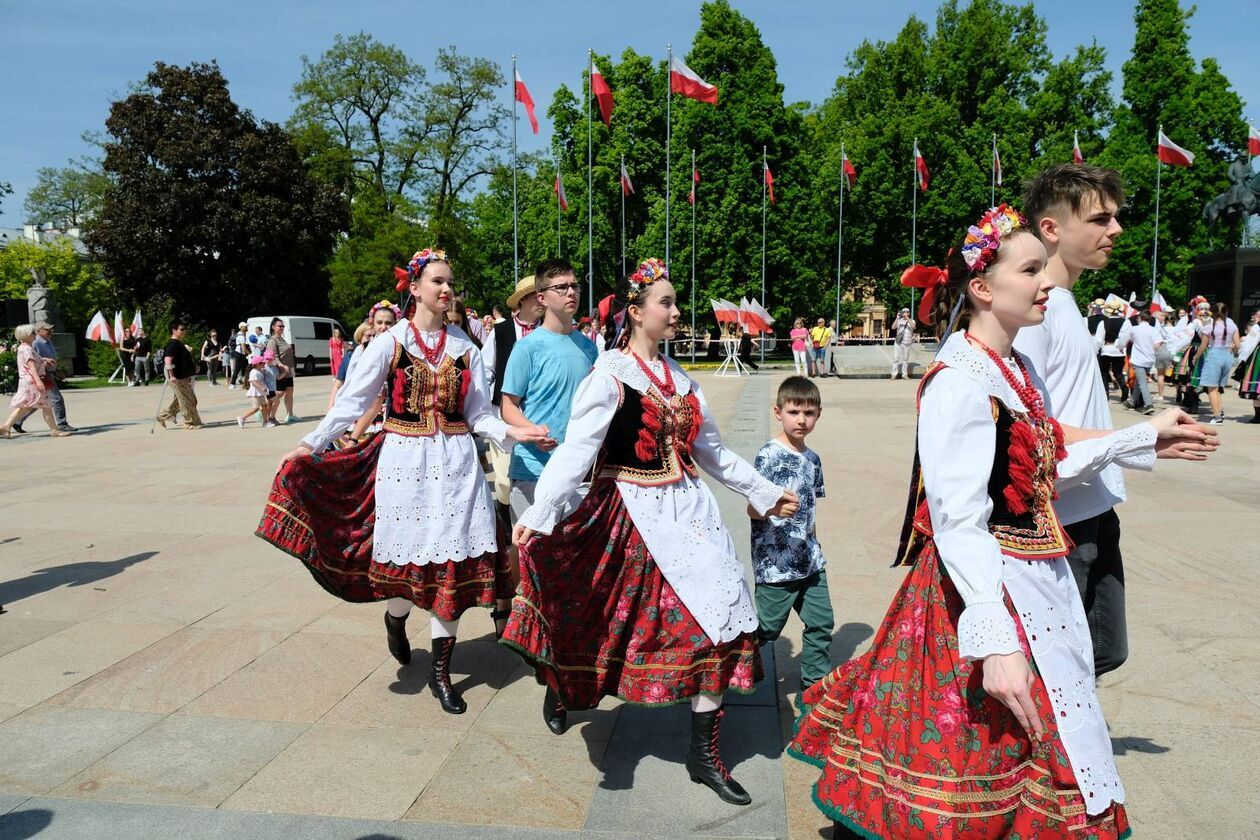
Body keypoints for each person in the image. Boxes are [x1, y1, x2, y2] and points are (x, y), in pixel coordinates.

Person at [790, 204, 1217, 839]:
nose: (1047, 282)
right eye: (1030, 270)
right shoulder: (958, 381)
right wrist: (992, 639)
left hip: (1034, 579)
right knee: (968, 778)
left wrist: (1140, 439)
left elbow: (1039, 459)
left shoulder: (1012, 368)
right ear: (982, 289)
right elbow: (959, 518)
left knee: (1032, 762)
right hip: (982, 591)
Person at [503, 258, 799, 805]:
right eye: (666, 302)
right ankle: (561, 683)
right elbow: (576, 454)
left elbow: (709, 452)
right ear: (636, 313)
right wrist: (540, 514)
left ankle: (702, 753)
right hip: (629, 518)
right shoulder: (609, 377)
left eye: (674, 301)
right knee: (595, 618)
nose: (676, 310)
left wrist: (761, 490)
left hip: (689, 513)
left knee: (719, 623)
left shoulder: (682, 380)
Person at [262, 248, 548, 715]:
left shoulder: (464, 347)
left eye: (450, 281)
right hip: (406, 466)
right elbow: (352, 403)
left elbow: (478, 412)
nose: (446, 288)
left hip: (456, 465)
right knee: (407, 572)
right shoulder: (389, 343)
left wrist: (514, 432)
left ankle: (441, 673)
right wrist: (311, 445)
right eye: (436, 281)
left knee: (449, 572)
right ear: (414, 288)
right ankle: (396, 620)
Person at [1012, 164, 1198, 679]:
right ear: (1051, 229)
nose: (1115, 231)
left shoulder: (1064, 304)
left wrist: (1142, 442)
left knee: (1100, 652)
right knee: (1061, 663)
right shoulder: (1035, 311)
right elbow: (1031, 430)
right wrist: (1139, 434)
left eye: (1114, 218)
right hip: (1060, 518)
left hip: (1091, 505)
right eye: (1100, 219)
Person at [499, 258, 598, 634]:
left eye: (574, 285)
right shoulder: (528, 348)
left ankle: (560, 634)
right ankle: (522, 621)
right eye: (562, 287)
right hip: (533, 469)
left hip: (578, 473)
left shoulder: (590, 348)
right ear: (541, 297)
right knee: (533, 554)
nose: (571, 292)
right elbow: (508, 405)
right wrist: (531, 430)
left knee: (572, 557)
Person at [749, 376, 832, 701]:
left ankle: (814, 693)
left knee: (822, 623)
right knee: (766, 630)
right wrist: (772, 509)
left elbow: (811, 511)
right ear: (778, 412)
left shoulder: (813, 459)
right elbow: (751, 509)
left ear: (818, 415)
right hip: (776, 566)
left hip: (810, 561)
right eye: (794, 411)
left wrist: (815, 545)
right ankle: (721, 669)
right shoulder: (768, 455)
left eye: (808, 413)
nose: (801, 419)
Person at [1, 324, 69, 437]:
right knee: (33, 405)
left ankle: (6, 427)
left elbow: (32, 360)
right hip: (31, 381)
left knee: (37, 405)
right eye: (33, 333)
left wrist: (43, 360)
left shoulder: (24, 347)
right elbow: (31, 366)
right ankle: (6, 426)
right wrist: (38, 381)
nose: (35, 335)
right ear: (26, 335)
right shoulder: (27, 348)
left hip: (28, 381)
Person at [1198, 301, 1240, 425]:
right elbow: (1238, 345)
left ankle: (1217, 417)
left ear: (1213, 312)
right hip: (1228, 356)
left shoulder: (1209, 326)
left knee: (1212, 388)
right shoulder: (1232, 326)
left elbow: (1202, 346)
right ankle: (1219, 411)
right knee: (1218, 388)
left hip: (1214, 355)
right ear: (1226, 312)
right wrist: (1231, 351)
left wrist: (1195, 357)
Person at [156, 321, 202, 430]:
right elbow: (168, 360)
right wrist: (172, 376)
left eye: (184, 329)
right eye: (181, 329)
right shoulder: (172, 344)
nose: (184, 331)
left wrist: (193, 367)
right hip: (177, 377)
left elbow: (182, 360)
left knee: (186, 399)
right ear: (174, 330)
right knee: (186, 400)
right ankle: (189, 422)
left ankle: (162, 416)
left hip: (184, 376)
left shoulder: (179, 343)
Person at [30, 323, 75, 433]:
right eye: (47, 330)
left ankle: (17, 421)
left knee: (39, 401)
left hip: (49, 374)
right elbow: (33, 360)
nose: (51, 331)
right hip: (43, 375)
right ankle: (62, 424)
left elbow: (52, 358)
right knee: (57, 399)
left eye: (51, 329)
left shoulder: (48, 341)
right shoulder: (36, 343)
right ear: (38, 331)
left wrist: (57, 370)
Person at [1095, 299, 1131, 403]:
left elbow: (1099, 340)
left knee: (1104, 372)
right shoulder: (1125, 321)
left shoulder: (1103, 322)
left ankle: (1105, 394)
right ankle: (1124, 389)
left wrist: (1096, 350)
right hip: (1119, 351)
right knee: (1118, 372)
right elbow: (1126, 336)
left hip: (1106, 349)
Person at [1125, 309, 1161, 415]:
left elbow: (1126, 339)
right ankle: (1132, 401)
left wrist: (1120, 346)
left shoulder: (1134, 329)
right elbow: (1158, 343)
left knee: (1142, 381)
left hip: (1138, 359)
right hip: (1149, 359)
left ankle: (1148, 404)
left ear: (1139, 318)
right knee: (1140, 380)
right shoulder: (1154, 330)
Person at [266, 317, 299, 423]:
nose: (282, 328)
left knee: (290, 391)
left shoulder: (282, 339)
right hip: (280, 371)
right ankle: (263, 411)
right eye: (280, 326)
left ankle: (290, 415)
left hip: (288, 371)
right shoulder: (272, 340)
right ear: (273, 327)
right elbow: (273, 357)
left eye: (283, 326)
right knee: (279, 393)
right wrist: (282, 366)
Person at [1237, 309, 1260, 423]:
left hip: (1258, 357)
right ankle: (1258, 415)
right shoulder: (1256, 326)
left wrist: (1242, 358)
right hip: (1257, 356)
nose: (1255, 317)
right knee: (1256, 389)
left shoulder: (1256, 327)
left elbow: (1250, 344)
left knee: (1255, 388)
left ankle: (1258, 415)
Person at [236, 355, 269, 427]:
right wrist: (261, 388)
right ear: (257, 364)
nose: (264, 364)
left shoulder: (259, 370)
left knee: (264, 406)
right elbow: (253, 382)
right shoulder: (254, 372)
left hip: (260, 393)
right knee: (256, 408)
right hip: (255, 393)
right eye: (263, 363)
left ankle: (265, 422)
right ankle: (242, 418)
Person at [890, 308, 915, 380]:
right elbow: (893, 327)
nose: (905, 313)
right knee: (896, 358)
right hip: (898, 342)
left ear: (909, 313)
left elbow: (913, 327)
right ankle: (894, 375)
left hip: (907, 342)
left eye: (907, 312)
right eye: (904, 312)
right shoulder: (899, 320)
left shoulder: (912, 321)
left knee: (905, 359)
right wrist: (897, 318)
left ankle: (904, 375)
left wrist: (907, 319)